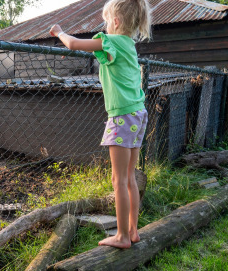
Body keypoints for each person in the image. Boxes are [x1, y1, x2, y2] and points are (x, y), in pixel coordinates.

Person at [49, 0, 151, 249]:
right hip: (138, 113)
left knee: (119, 181)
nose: (105, 26)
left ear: (115, 21)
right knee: (130, 177)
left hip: (122, 116)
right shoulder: (128, 44)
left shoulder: (112, 41)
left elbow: (73, 44)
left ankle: (122, 237)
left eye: (107, 21)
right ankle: (133, 231)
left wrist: (59, 32)